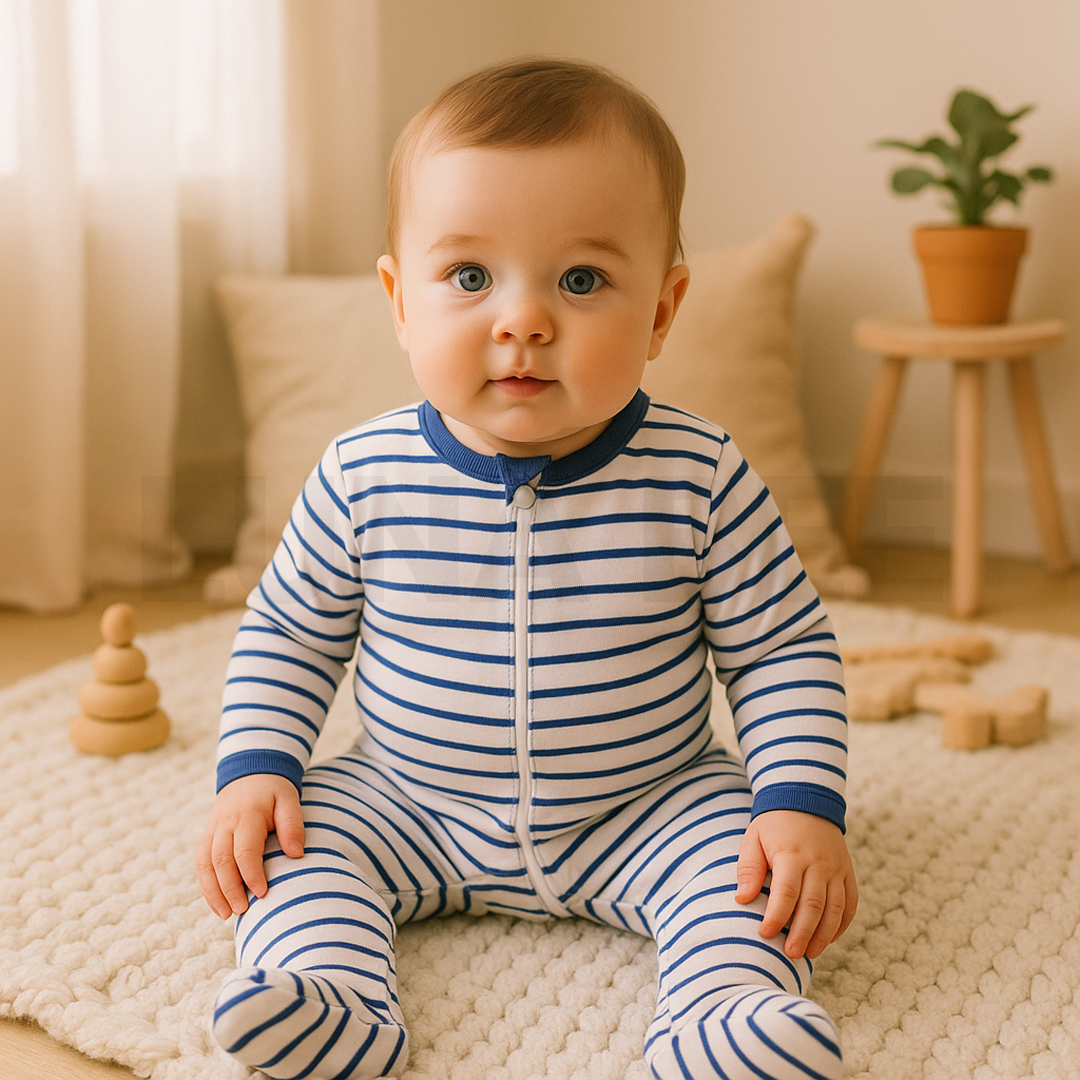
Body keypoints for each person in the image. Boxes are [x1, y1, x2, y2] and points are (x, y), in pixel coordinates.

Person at [196, 56, 857, 1080]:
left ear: (664, 310)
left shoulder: (699, 475)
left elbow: (781, 652)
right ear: (400, 300)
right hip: (408, 798)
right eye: (468, 277)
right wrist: (257, 769)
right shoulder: (361, 475)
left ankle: (723, 1016)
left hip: (648, 803)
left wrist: (799, 801)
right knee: (290, 850)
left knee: (751, 876)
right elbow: (286, 634)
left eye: (582, 280)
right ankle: (331, 999)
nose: (522, 320)